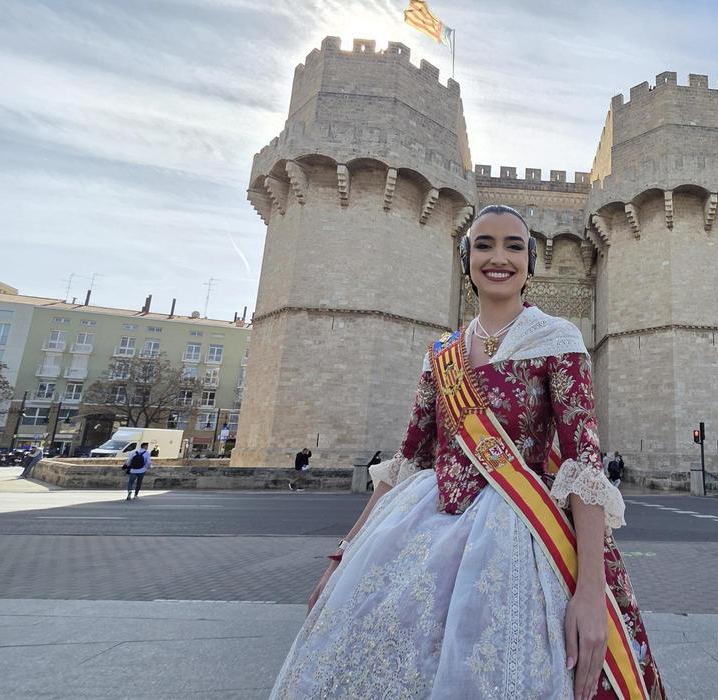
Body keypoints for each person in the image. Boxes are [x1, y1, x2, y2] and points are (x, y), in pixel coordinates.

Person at [271, 205, 665, 699]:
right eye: (484, 244)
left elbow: (583, 464)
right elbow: (409, 459)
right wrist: (343, 555)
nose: (498, 257)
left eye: (513, 246)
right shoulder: (441, 354)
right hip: (424, 526)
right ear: (465, 260)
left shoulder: (558, 341)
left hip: (524, 533)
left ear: (531, 263)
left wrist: (589, 592)